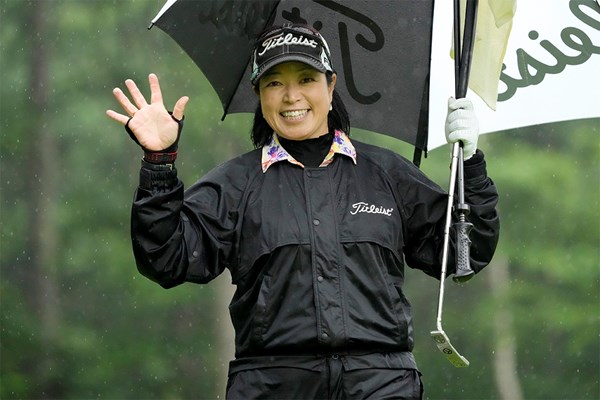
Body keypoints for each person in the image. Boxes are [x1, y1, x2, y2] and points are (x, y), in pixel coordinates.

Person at [107, 23, 499, 400]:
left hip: (382, 383)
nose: (291, 96)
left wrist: (471, 161)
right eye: (275, 82)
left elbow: (464, 253)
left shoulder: (387, 174)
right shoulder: (235, 183)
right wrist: (159, 162)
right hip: (271, 385)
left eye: (306, 79)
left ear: (330, 87)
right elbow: (168, 259)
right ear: (258, 94)